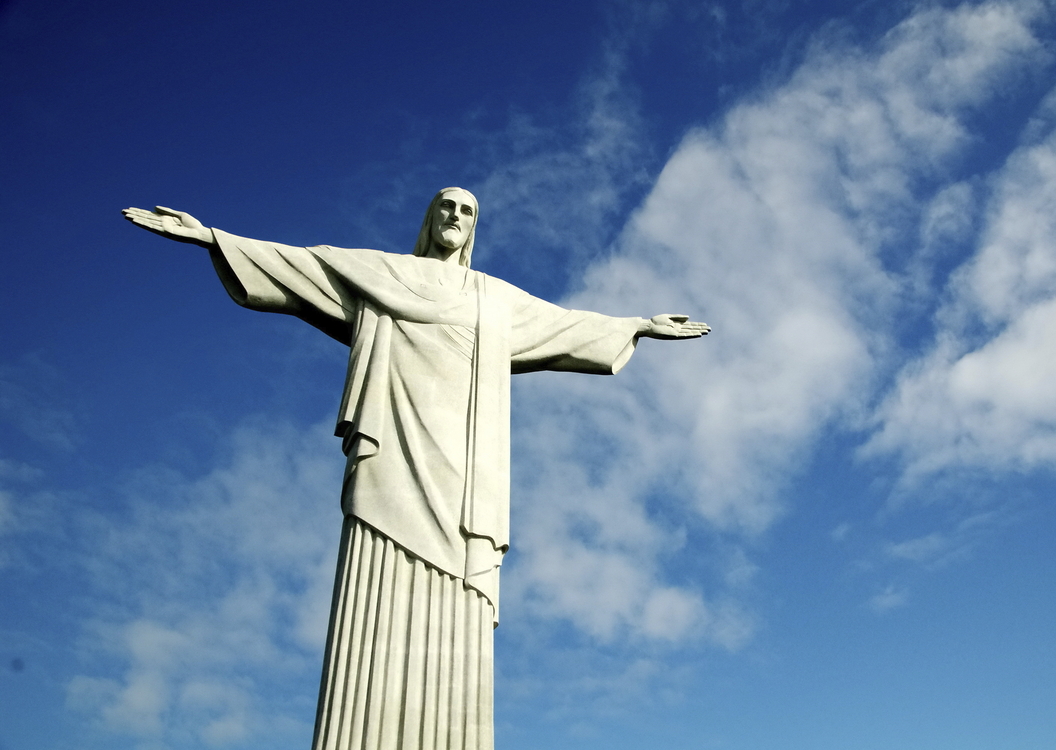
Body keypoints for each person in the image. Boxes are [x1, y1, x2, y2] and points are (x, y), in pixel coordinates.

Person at [123, 188, 709, 750]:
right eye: (445, 206)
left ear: (474, 228)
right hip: (391, 455)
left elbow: (564, 325)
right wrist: (211, 238)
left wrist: (636, 324)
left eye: (467, 211)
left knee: (456, 599)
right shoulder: (381, 275)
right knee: (375, 582)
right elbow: (302, 268)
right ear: (429, 219)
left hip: (463, 471)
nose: (455, 215)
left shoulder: (492, 298)